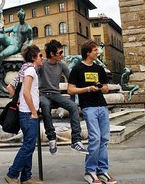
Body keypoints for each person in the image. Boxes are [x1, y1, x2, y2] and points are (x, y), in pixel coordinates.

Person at [67, 40, 117, 184]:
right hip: (88, 106)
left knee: (104, 138)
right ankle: (90, 170)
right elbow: (70, 89)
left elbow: (106, 88)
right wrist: (88, 89)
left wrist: (99, 87)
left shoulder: (99, 69)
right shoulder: (77, 68)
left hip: (102, 105)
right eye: (95, 50)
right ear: (88, 52)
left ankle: (102, 170)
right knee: (95, 138)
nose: (98, 52)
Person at [38, 39, 88, 155]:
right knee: (45, 105)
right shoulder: (42, 64)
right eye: (60, 53)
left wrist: (74, 96)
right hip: (43, 94)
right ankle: (51, 138)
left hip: (56, 94)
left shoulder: (62, 64)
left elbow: (72, 80)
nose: (62, 55)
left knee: (73, 106)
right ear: (52, 54)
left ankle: (76, 140)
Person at [4, 44, 43, 184]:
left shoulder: (24, 69)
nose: (42, 58)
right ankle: (12, 174)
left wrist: (17, 100)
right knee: (29, 146)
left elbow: (9, 86)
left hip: (25, 111)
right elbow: (26, 92)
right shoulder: (30, 70)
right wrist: (33, 111)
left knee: (29, 144)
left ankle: (26, 177)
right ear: (33, 57)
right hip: (28, 113)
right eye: (40, 55)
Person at [0, 8, 33, 83]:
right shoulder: (15, 26)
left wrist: (27, 46)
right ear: (18, 17)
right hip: (10, 40)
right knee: (0, 36)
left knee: (1, 56)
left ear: (24, 16)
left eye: (22, 16)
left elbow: (31, 39)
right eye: (20, 17)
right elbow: (4, 31)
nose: (21, 18)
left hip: (16, 45)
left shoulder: (28, 28)